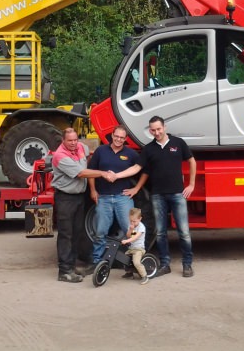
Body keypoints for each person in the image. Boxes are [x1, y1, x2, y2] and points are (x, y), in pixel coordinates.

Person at [113, 116, 196, 278]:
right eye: (153, 130)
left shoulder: (178, 143)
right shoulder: (149, 149)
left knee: (184, 232)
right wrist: (120, 177)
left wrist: (191, 184)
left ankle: (187, 265)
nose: (156, 132)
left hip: (177, 194)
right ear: (150, 130)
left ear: (164, 127)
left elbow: (192, 161)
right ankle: (165, 264)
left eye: (159, 129)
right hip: (157, 195)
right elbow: (140, 169)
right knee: (160, 233)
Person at [50, 127, 111, 283]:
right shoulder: (60, 156)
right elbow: (81, 173)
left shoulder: (81, 147)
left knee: (77, 233)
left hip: (78, 197)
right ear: (63, 141)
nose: (73, 143)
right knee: (66, 234)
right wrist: (103, 173)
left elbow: (89, 154)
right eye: (69, 140)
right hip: (65, 198)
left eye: (75, 140)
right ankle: (64, 271)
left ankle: (72, 266)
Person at [83, 125, 145, 276]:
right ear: (111, 135)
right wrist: (92, 190)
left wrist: (136, 188)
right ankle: (96, 263)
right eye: (116, 136)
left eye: (122, 138)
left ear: (125, 139)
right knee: (100, 232)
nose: (118, 140)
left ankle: (133, 264)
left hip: (122, 198)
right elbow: (91, 172)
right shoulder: (101, 151)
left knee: (130, 231)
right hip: (103, 197)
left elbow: (144, 170)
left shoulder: (131, 154)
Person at [121, 207, 149, 285]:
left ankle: (144, 276)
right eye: (131, 221)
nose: (132, 223)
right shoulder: (132, 226)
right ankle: (129, 273)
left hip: (139, 249)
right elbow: (129, 235)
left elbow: (135, 237)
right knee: (123, 258)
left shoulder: (141, 227)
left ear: (140, 219)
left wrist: (126, 241)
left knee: (136, 262)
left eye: (134, 221)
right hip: (132, 248)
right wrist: (130, 229)